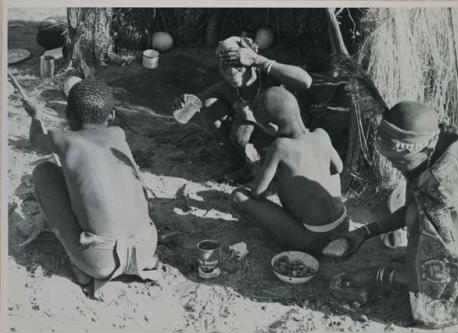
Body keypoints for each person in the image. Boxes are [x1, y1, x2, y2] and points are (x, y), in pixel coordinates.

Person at [323, 101, 458, 328]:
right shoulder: (438, 153)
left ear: (425, 148)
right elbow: (414, 205)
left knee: (426, 305)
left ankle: (421, 258)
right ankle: (420, 254)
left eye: (400, 161)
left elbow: (442, 278)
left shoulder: (439, 199)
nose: (396, 167)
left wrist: (376, 274)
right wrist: (364, 232)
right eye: (391, 160)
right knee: (414, 214)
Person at [23, 80, 159, 299]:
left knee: (44, 172)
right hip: (146, 247)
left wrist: (35, 115)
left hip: (99, 260)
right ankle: (130, 263)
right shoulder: (118, 133)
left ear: (68, 114)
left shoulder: (63, 139)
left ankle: (81, 268)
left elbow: (36, 141)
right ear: (111, 115)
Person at [173, 36, 312, 180]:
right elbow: (198, 101)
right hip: (252, 145)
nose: (231, 72)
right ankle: (237, 163)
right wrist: (185, 101)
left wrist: (259, 60)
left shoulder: (271, 79)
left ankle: (261, 169)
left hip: (280, 145)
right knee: (209, 103)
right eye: (225, 65)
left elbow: (306, 81)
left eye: (237, 64)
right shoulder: (227, 88)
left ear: (249, 61)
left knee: (243, 124)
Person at [230, 87, 348, 255]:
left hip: (316, 239)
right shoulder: (322, 135)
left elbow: (257, 193)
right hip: (343, 225)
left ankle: (282, 238)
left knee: (239, 196)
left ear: (271, 128)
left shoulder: (280, 147)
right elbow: (338, 168)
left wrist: (258, 167)